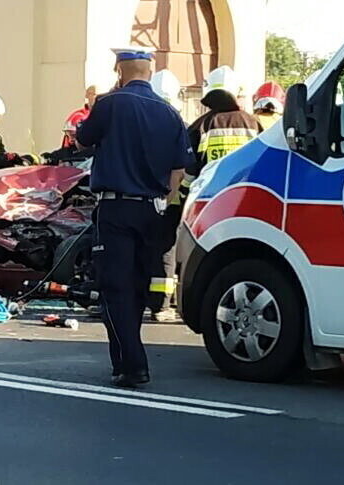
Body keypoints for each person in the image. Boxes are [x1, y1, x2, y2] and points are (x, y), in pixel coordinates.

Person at [76, 47, 195, 388]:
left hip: (115, 208)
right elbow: (179, 169)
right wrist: (163, 199)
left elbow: (84, 140)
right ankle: (129, 361)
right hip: (152, 210)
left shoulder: (111, 105)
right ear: (148, 71)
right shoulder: (170, 113)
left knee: (116, 288)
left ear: (120, 70)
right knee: (139, 287)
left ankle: (132, 364)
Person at [179, 66, 261, 203]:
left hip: (208, 199)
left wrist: (184, 193)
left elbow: (190, 170)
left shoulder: (199, 126)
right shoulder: (253, 124)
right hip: (244, 197)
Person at [147, 69, 185, 322]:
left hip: (138, 198)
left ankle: (136, 300)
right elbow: (181, 171)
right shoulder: (177, 125)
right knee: (164, 253)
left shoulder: (137, 122)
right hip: (168, 202)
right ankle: (161, 306)